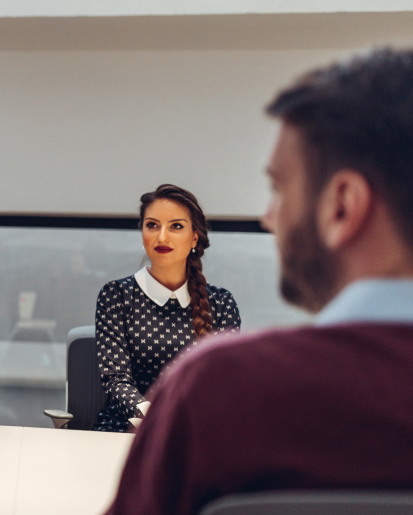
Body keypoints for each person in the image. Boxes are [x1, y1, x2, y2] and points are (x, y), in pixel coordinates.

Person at [106, 48, 413, 515]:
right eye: (152, 225)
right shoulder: (126, 303)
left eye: (279, 188)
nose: (269, 218)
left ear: (342, 206)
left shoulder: (216, 389)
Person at [94, 184, 241, 433]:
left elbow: (223, 384)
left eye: (176, 226)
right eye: (152, 225)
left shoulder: (222, 304)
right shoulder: (116, 295)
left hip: (196, 431)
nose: (162, 237)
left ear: (194, 237)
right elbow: (116, 379)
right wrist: (158, 417)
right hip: (127, 429)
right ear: (142, 233)